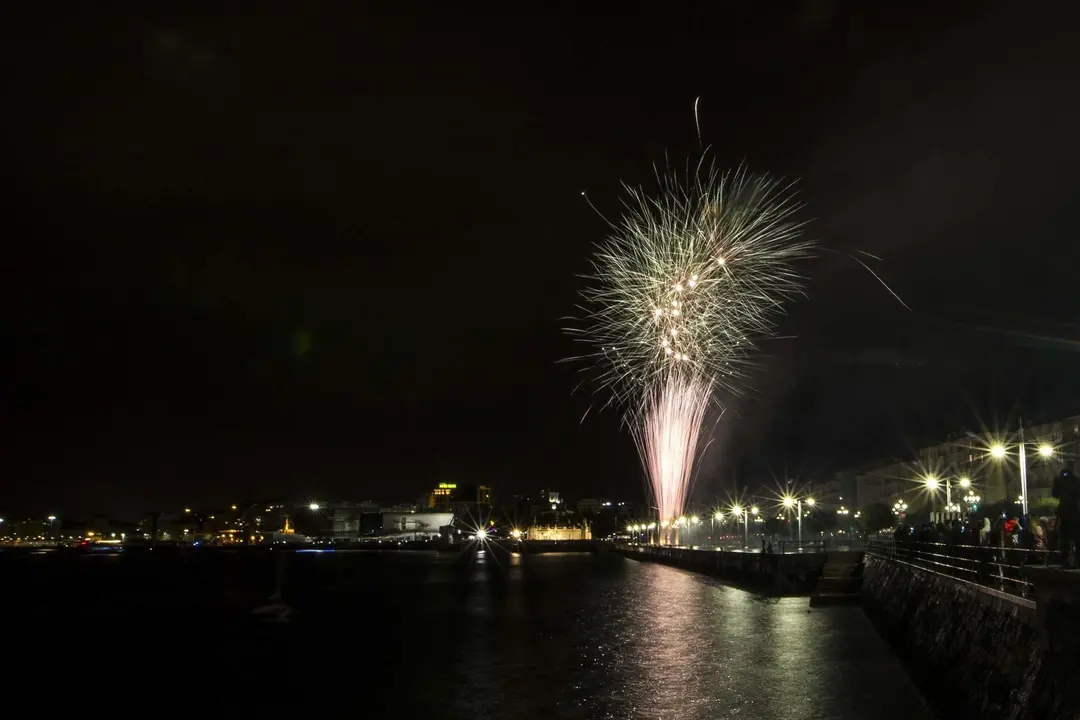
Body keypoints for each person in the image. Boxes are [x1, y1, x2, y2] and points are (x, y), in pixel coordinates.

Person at [1052, 468, 1080, 566]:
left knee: (1065, 536)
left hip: (1065, 511)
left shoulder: (1059, 482)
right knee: (1075, 536)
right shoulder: (1075, 481)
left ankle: (1065, 559)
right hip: (1073, 511)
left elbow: (1054, 494)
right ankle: (1074, 560)